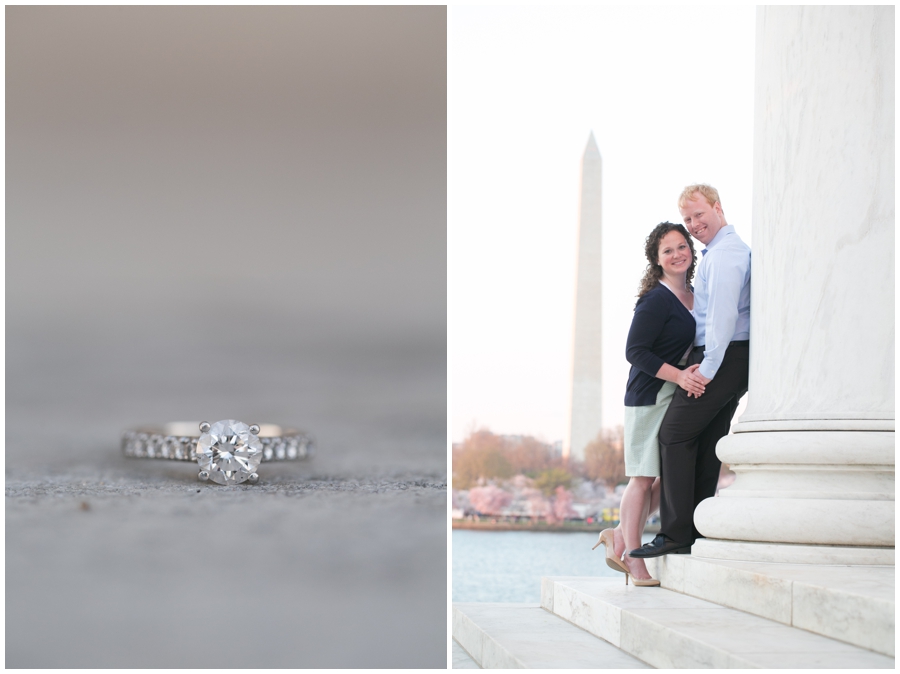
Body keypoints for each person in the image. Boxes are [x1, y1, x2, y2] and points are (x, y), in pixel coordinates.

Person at [630, 184, 750, 559]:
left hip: (723, 357)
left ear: (717, 207)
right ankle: (695, 533)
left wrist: (707, 370)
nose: (695, 225)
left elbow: (723, 317)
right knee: (705, 438)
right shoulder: (722, 253)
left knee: (674, 434)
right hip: (732, 357)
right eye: (688, 220)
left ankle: (676, 534)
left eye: (700, 215)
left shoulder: (725, 255)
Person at [593, 222, 704, 586]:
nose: (676, 254)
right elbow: (634, 352)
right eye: (667, 251)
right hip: (648, 396)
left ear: (690, 249)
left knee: (668, 476)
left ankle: (621, 535)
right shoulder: (655, 300)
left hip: (675, 392)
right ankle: (635, 558)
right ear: (656, 261)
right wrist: (680, 376)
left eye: (680, 246)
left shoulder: (694, 294)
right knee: (642, 478)